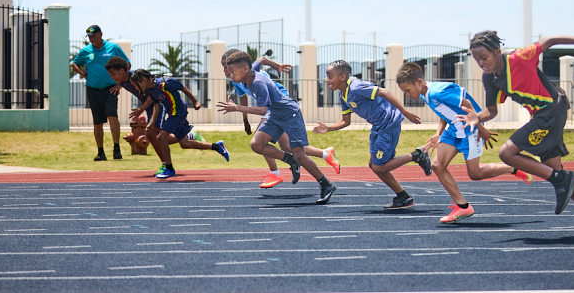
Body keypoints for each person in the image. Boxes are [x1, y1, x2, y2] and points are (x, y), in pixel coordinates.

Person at [467, 30, 574, 236]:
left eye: (484, 57)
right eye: (477, 60)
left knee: (506, 153)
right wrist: (478, 117)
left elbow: (551, 40)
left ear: (496, 51)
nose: (481, 63)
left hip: (552, 109)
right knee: (553, 169)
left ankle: (560, 180)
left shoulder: (520, 57)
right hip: (542, 115)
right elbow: (491, 111)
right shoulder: (490, 79)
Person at [396, 62, 532, 223]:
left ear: (419, 82)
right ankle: (463, 206)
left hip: (470, 130)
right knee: (437, 165)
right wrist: (438, 134)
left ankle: (513, 167)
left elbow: (467, 104)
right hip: (454, 130)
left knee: (475, 174)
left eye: (407, 90)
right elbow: (445, 111)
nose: (407, 94)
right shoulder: (425, 94)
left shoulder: (437, 92)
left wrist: (480, 128)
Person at [217, 51, 337, 204]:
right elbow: (261, 59)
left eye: (233, 72)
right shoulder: (250, 70)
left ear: (245, 70)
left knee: (299, 154)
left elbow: (261, 109)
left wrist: (237, 108)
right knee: (256, 144)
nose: (230, 75)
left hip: (290, 115)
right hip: (276, 116)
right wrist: (277, 66)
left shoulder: (258, 84)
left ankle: (326, 184)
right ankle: (290, 161)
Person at [312, 60, 431, 210]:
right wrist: (328, 128)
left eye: (330, 76)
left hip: (388, 124)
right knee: (373, 165)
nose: (327, 80)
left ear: (342, 77)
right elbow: (345, 121)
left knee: (379, 166)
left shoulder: (356, 87)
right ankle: (403, 197)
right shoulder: (343, 96)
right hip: (378, 127)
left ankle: (417, 155)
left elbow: (385, 92)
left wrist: (405, 112)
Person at [105, 57, 206, 174]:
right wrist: (119, 86)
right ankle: (188, 137)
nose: (112, 77)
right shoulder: (122, 81)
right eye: (110, 75)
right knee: (155, 136)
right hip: (150, 106)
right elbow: (125, 83)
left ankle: (167, 165)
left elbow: (151, 93)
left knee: (153, 135)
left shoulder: (135, 77)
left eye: (113, 74)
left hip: (158, 104)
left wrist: (141, 109)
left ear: (122, 70)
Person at [130, 69, 229, 179]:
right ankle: (217, 146)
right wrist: (152, 123)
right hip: (172, 114)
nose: (135, 88)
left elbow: (183, 88)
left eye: (135, 84)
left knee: (161, 137)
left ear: (143, 79)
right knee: (185, 144)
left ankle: (169, 168)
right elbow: (157, 106)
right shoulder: (150, 90)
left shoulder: (164, 84)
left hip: (178, 112)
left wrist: (195, 101)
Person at [71, 25, 130, 161]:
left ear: (101, 34)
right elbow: (75, 63)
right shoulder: (86, 51)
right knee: (97, 122)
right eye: (90, 37)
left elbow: (127, 65)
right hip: (92, 89)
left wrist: (120, 84)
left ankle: (116, 149)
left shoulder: (113, 48)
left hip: (110, 89)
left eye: (94, 36)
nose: (92, 39)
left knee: (112, 117)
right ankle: (100, 152)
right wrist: (83, 73)